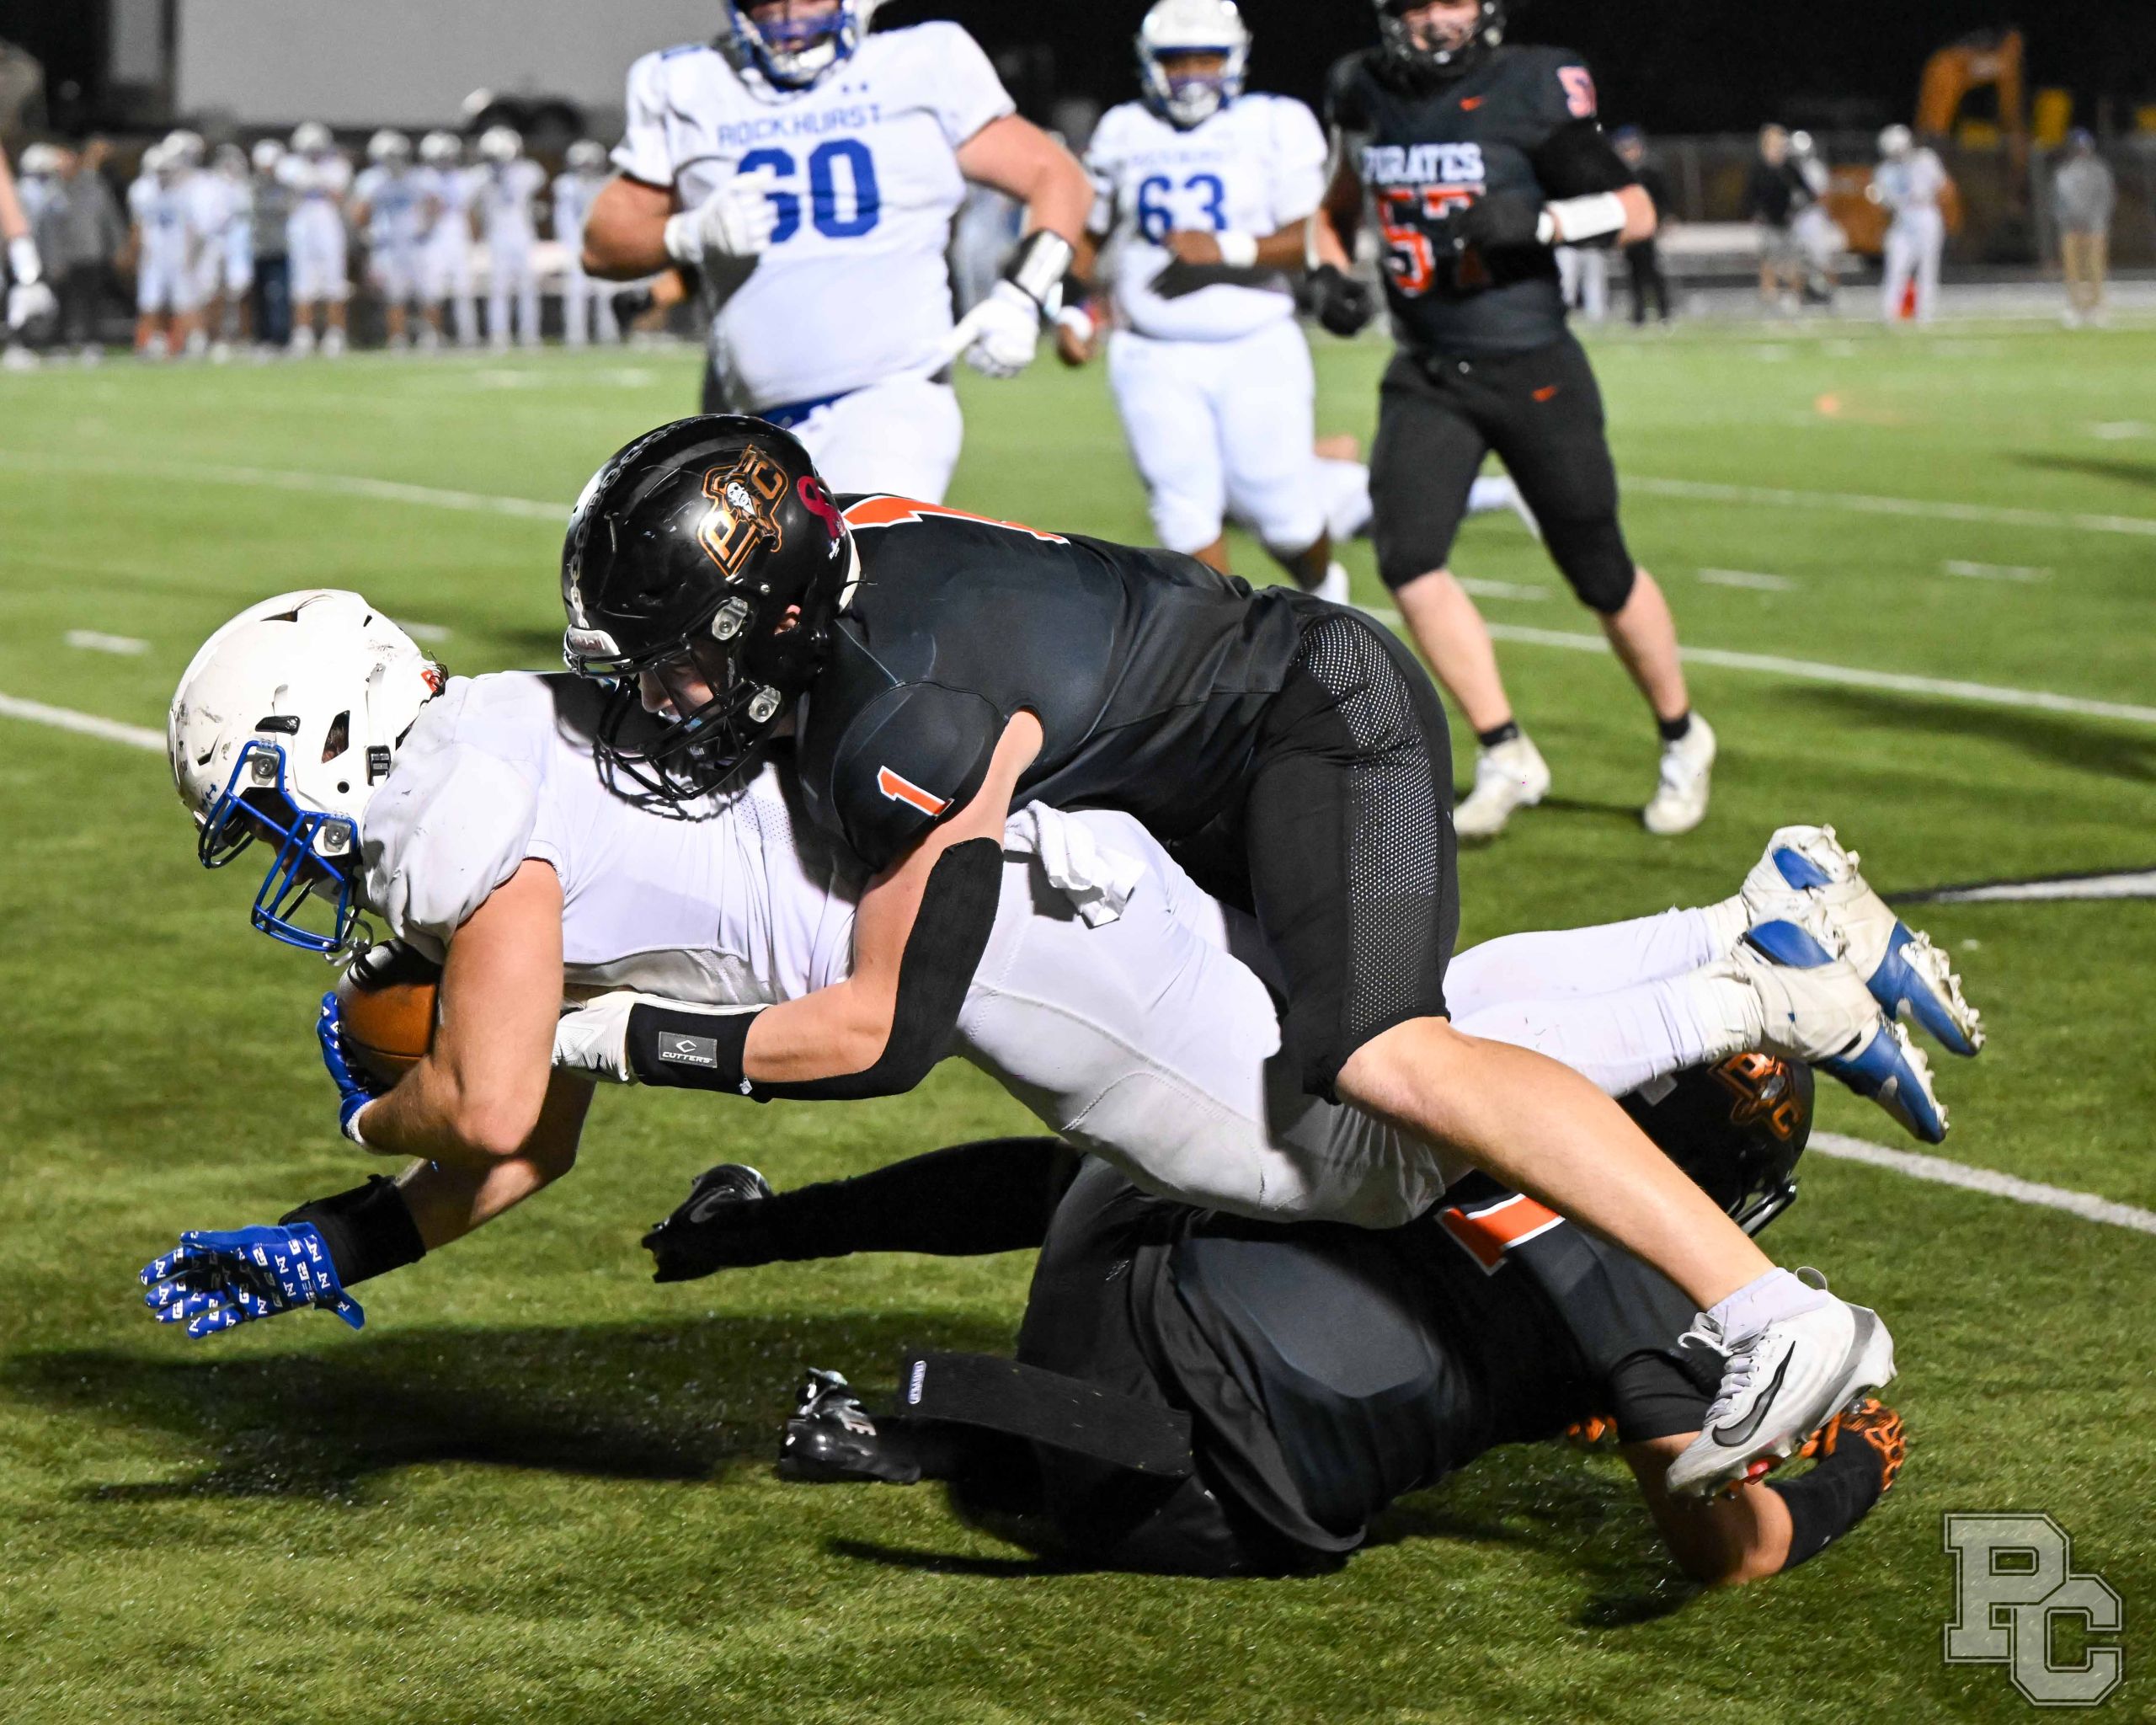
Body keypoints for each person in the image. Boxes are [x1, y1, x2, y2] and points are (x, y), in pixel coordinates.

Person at [553, 417, 1951, 1500]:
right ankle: (1745, 945)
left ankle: (1774, 1311)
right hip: (1251, 719)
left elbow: (887, 1033)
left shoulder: (900, 726)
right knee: (1426, 1041)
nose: (664, 699)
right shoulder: (844, 553)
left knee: (1384, 1060)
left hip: (1316, 721)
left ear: (776, 614)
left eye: (676, 660)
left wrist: (608, 1032)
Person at [143, 592, 1972, 1355]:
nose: (276, 850)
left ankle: (1747, 991)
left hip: (998, 936)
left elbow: (481, 1102)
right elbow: (534, 1134)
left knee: (1353, 1160)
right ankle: (1738, 936)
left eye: (262, 806)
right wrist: (345, 1239)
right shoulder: (486, 748)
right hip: (1037, 884)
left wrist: (377, 1104)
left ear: (330, 742)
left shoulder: (450, 822)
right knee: (1383, 1056)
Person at [661, 1068, 1905, 1582]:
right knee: (1279, 1395)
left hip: (1102, 1312)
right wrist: (1852, 1470)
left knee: (1166, 1148)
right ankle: (979, 1440)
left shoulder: (1477, 1078)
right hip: (1182, 1509)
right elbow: (1730, 1548)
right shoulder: (1666, 1296)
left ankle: (775, 1239)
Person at [1314, 1, 1713, 840]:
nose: (1438, 20)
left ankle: (1682, 734)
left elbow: (1638, 209)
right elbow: (1337, 204)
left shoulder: (1528, 84)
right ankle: (1507, 753)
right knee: (1408, 559)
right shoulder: (1363, 87)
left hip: (1531, 368)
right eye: (1420, 4)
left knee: (1598, 571)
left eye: (1454, 1)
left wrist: (1543, 222)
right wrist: (1328, 272)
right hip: (1427, 367)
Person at [577, 0, 1092, 500]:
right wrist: (688, 233)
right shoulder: (688, 81)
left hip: (889, 397)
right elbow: (601, 247)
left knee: (857, 555)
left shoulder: (922, 61)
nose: (787, 13)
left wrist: (1021, 297)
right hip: (744, 417)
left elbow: (1057, 176)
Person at [1059, 0, 1353, 601]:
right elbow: (1087, 235)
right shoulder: (1125, 128)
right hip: (1152, 349)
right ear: (1151, 63)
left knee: (1285, 517)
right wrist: (1072, 307)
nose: (1192, 74)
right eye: (1177, 60)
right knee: (1183, 516)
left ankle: (1329, 592)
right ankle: (1226, 638)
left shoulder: (1275, 121)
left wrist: (1225, 248)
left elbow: (1314, 236)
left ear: (1234, 60)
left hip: (1255, 341)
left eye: (1206, 58)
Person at [279, 120, 351, 355]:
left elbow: (337, 192)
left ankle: (335, 333)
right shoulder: (290, 165)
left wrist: (316, 181)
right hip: (301, 226)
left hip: (328, 225)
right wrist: (318, 182)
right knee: (302, 283)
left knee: (334, 281)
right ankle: (303, 334)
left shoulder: (337, 166)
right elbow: (293, 181)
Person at [126, 142, 203, 360]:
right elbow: (137, 226)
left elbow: (191, 226)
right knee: (150, 300)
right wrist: (135, 252)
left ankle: (195, 340)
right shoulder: (141, 191)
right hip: (153, 255)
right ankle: (153, 340)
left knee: (185, 300)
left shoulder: (184, 190)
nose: (163, 175)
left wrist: (191, 254)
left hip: (178, 254)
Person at [351, 129, 426, 349]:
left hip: (414, 242)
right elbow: (359, 213)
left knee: (426, 291)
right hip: (387, 245)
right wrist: (366, 233)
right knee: (394, 294)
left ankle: (430, 335)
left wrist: (425, 227)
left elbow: (430, 204)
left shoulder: (415, 178)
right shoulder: (370, 181)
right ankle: (398, 337)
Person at [473, 125, 543, 349]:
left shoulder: (527, 171)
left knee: (527, 288)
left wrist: (504, 169)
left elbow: (534, 180)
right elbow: (471, 192)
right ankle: (499, 334)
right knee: (498, 288)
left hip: (522, 234)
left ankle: (529, 334)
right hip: (496, 236)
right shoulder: (482, 175)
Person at [1873, 125, 1948, 326]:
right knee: (1896, 265)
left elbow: (1942, 187)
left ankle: (1925, 314)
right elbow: (1884, 203)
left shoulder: (1926, 160)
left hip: (1925, 213)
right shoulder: (1884, 171)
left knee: (1928, 267)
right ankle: (1890, 312)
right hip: (1902, 218)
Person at [552, 140, 618, 346]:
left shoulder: (605, 184)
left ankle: (609, 336)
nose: (587, 170)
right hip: (577, 245)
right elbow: (564, 221)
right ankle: (575, 337)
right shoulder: (566, 185)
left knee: (606, 292)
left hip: (600, 244)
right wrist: (571, 246)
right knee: (576, 291)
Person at [417, 131, 478, 349]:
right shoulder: (422, 179)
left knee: (464, 288)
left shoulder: (464, 179)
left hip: (458, 236)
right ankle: (432, 334)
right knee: (432, 290)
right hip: (433, 238)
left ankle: (468, 335)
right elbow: (420, 210)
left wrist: (475, 236)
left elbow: (469, 211)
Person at [3, 140, 61, 364]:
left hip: (32, 253)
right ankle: (15, 345)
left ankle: (24, 345)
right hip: (20, 253)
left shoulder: (49, 191)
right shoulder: (25, 192)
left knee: (35, 302)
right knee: (21, 302)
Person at [2053, 130, 2115, 329]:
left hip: (2094, 227)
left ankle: (2097, 306)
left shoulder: (2100, 171)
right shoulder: (2063, 172)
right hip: (2071, 227)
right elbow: (2060, 202)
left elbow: (2105, 198)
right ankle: (2076, 307)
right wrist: (2068, 222)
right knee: (2073, 269)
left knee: (2095, 267)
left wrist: (2094, 222)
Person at [1611, 126, 1670, 326]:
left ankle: (1663, 311)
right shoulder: (1619, 174)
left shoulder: (1650, 172)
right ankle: (1639, 314)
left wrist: (1662, 219)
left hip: (1646, 228)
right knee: (1634, 273)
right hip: (1630, 229)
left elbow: (1662, 198)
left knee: (1652, 271)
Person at [1745, 125, 1804, 312]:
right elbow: (1750, 195)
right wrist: (1755, 212)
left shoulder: (1789, 168)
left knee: (1792, 260)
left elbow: (1807, 191)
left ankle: (1794, 297)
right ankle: (1769, 296)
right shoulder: (1760, 168)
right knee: (1769, 260)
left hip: (1789, 222)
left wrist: (1799, 205)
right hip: (1769, 222)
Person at [244, 137, 293, 351]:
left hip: (280, 247)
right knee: (258, 296)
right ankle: (261, 337)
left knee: (280, 294)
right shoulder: (251, 187)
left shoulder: (285, 188)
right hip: (257, 249)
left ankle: (280, 337)